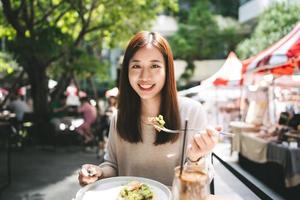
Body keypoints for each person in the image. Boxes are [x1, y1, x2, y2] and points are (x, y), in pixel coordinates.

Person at [78, 31, 220, 188]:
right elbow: (113, 165)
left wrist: (195, 158)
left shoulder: (192, 112)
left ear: (168, 70)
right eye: (136, 66)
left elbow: (202, 181)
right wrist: (98, 172)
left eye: (154, 66)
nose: (145, 76)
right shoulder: (119, 118)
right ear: (127, 71)